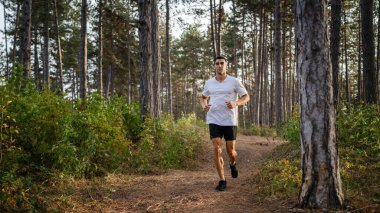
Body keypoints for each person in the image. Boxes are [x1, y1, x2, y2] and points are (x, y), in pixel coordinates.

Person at [200, 56, 250, 191]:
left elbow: (246, 96)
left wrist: (236, 103)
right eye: (217, 63)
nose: (219, 65)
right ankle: (222, 180)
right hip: (213, 118)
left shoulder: (234, 81)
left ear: (226, 65)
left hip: (229, 120)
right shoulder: (209, 82)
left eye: (222, 63)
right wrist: (204, 105)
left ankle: (232, 163)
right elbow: (203, 97)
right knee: (216, 148)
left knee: (231, 151)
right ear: (214, 66)